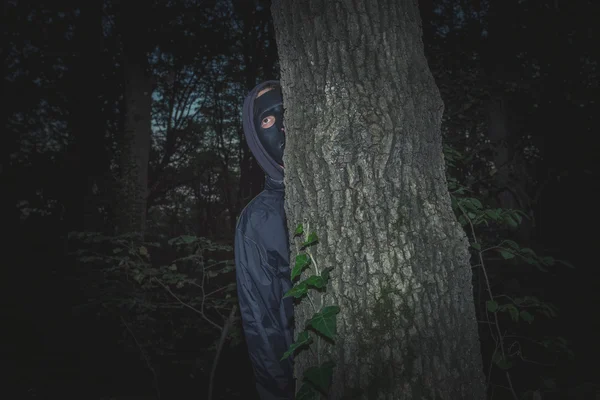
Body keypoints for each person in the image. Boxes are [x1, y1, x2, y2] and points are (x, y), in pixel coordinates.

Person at [235, 80, 295, 399]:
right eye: (267, 120)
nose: (282, 127)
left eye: (286, 112)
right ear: (256, 137)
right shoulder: (257, 220)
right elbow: (262, 323)